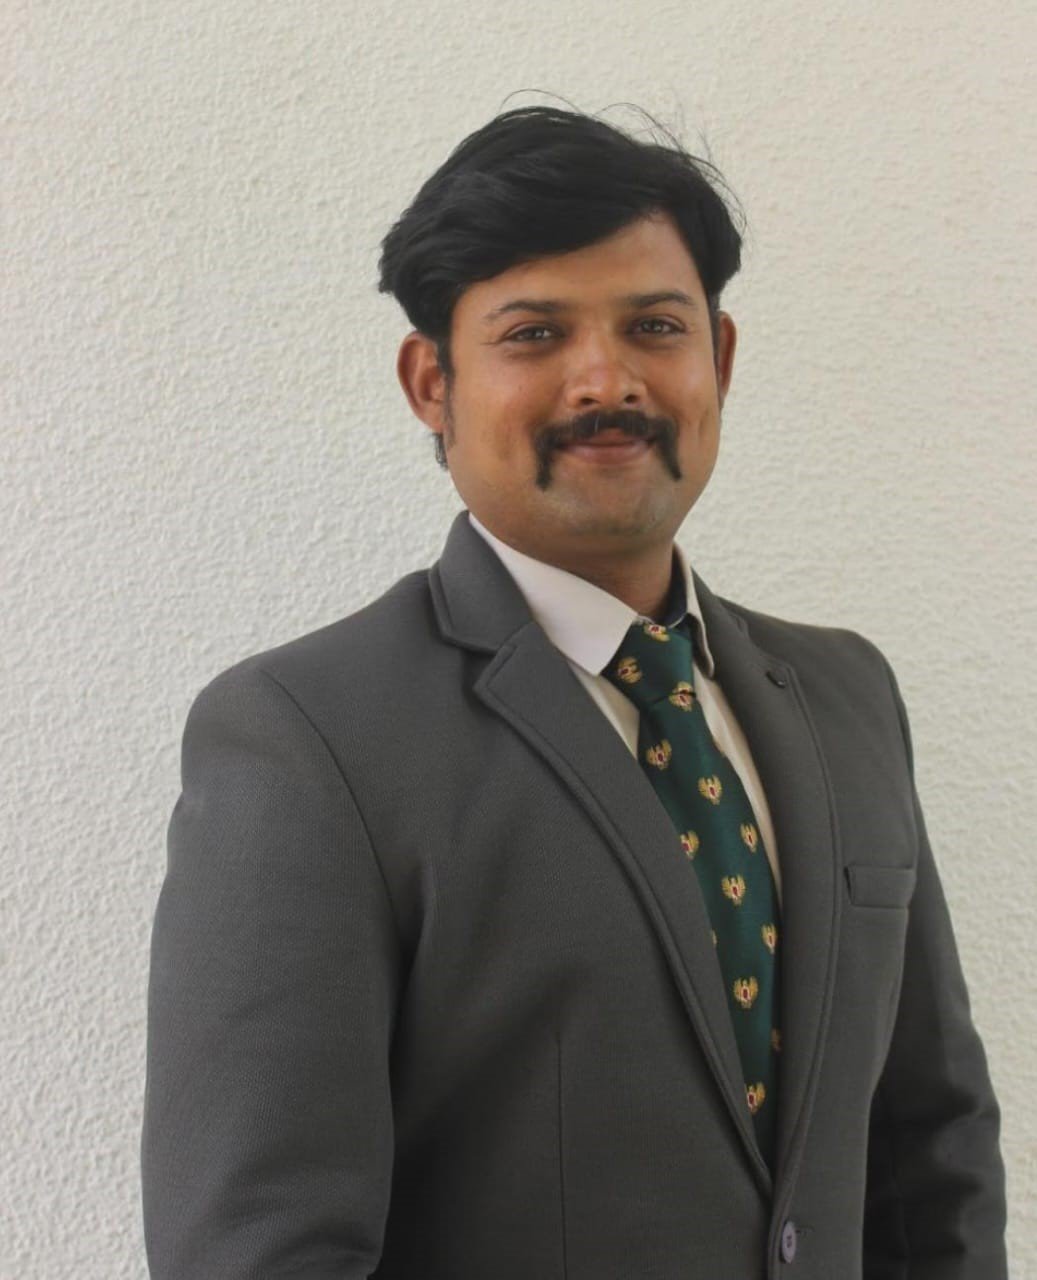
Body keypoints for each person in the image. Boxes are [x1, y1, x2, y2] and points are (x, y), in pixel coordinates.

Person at [141, 105, 1008, 1278]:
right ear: (430, 383)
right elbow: (261, 1248)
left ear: (719, 359)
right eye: (534, 333)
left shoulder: (845, 696)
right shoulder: (305, 739)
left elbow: (930, 1152)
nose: (606, 379)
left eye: (654, 326)